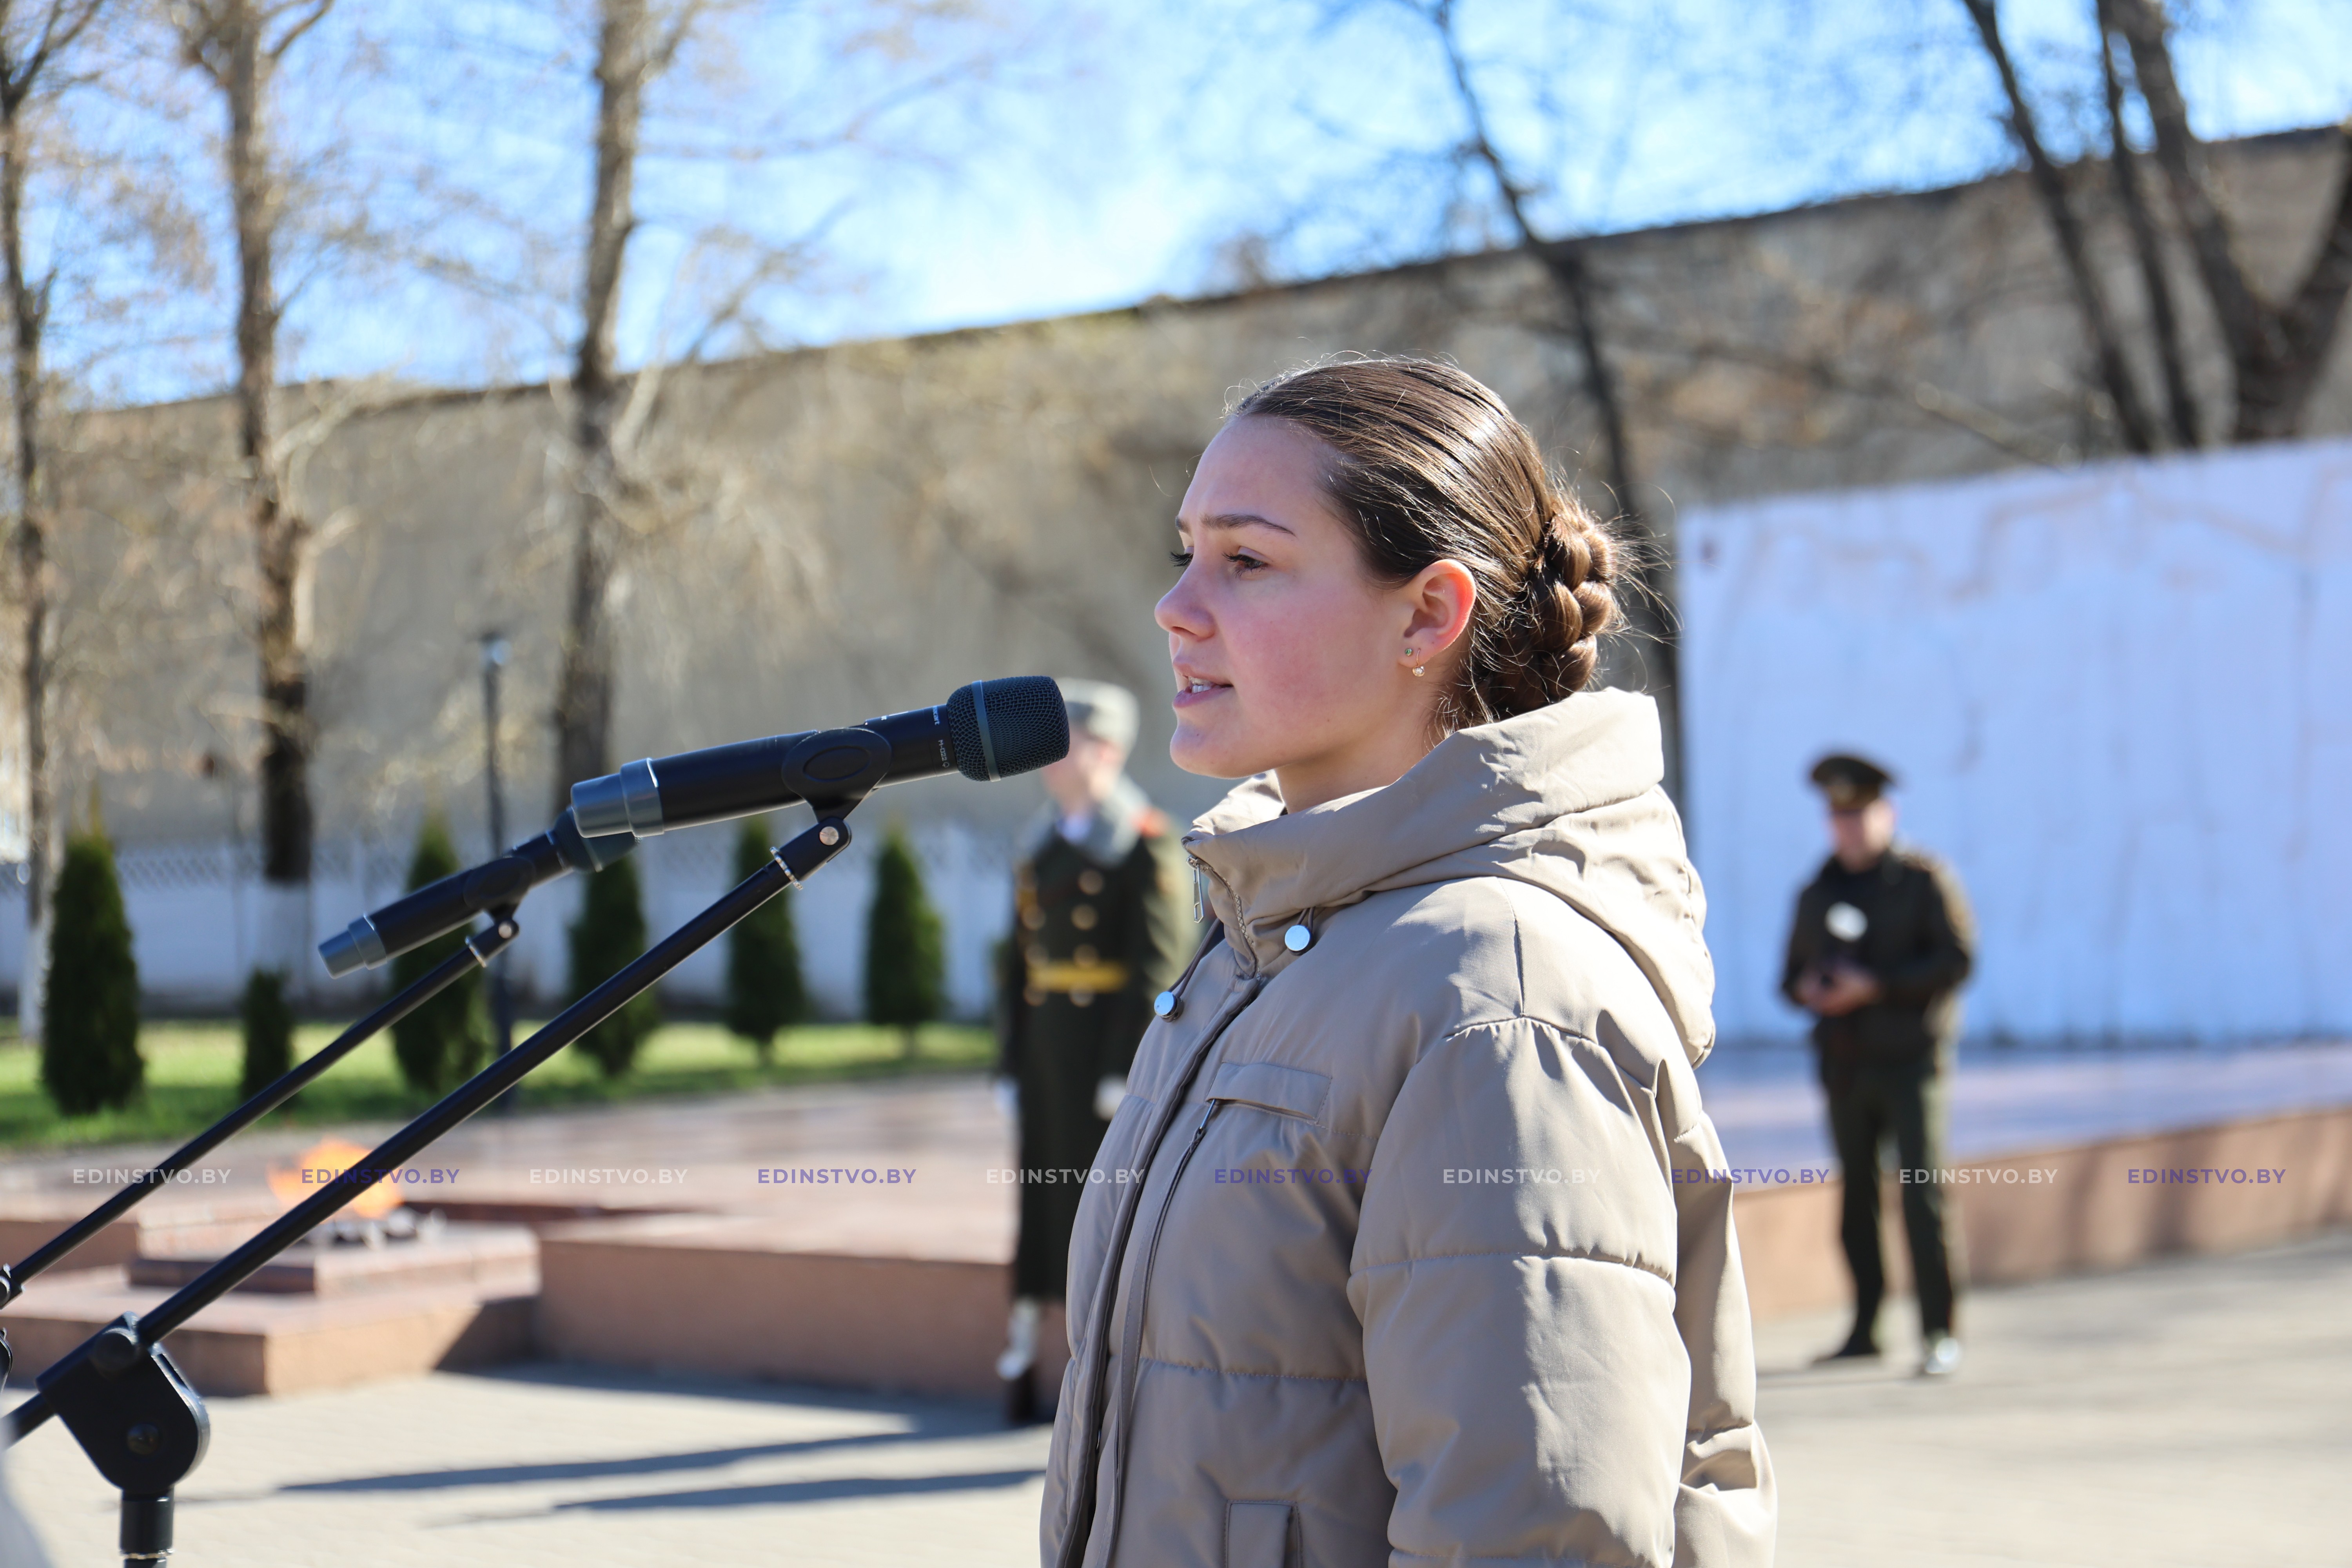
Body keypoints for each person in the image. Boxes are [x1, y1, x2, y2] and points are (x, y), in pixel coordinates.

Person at [1038, 359, 1773, 1568]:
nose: (1177, 607)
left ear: (1428, 615)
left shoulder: (1499, 999)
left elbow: (1537, 1535)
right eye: (1185, 554)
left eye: (1248, 561)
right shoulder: (1268, 940)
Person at [994, 679, 1191, 1426]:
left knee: (1100, 1209)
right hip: (1048, 1058)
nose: (1050, 760)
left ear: (1106, 748)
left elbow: (1156, 965)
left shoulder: (1141, 840)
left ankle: (1104, 1363)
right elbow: (1016, 967)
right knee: (1041, 1205)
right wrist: (1007, 1064)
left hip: (1103, 1062)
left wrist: (1125, 1067)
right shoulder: (1041, 844)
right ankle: (1023, 1349)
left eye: (1065, 741)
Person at [1782, 753, 1975, 1378]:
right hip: (1846, 1066)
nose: (1850, 828)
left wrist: (1878, 987)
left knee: (1922, 1195)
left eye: (1861, 814)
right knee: (1857, 1200)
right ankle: (1866, 1328)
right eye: (1840, 817)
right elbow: (1788, 980)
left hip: (1911, 1063)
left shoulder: (1923, 881)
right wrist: (1813, 989)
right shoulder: (1818, 890)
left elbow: (1955, 962)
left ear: (1886, 814)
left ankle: (1939, 1332)